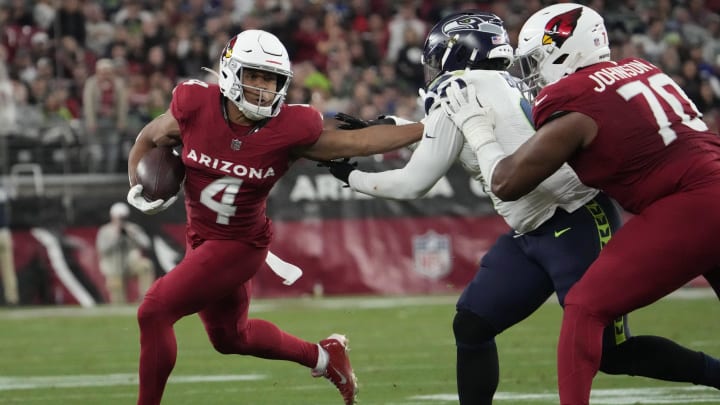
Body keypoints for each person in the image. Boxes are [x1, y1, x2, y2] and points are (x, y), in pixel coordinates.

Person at [322, 11, 720, 404]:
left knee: (610, 349)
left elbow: (421, 178)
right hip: (534, 228)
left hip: (575, 219)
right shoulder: (505, 83)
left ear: (452, 55)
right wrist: (395, 125)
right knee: (474, 322)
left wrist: (350, 176)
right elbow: (456, 129)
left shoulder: (460, 89)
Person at [125, 29, 423, 405]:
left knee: (154, 311)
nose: (263, 88)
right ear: (232, 73)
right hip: (200, 238)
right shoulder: (194, 106)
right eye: (254, 76)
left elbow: (360, 142)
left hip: (240, 245)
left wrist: (428, 129)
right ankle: (326, 356)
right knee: (232, 339)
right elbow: (147, 138)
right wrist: (137, 183)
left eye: (271, 79)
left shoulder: (290, 130)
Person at [96, 201, 155, 304]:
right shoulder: (105, 231)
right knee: (119, 302)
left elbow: (147, 244)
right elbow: (102, 250)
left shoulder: (132, 228)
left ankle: (146, 299)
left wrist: (133, 235)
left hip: (130, 264)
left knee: (146, 266)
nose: (121, 221)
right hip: (113, 269)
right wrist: (116, 237)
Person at [0, 185, 18, 306]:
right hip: (4, 233)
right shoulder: (2, 191)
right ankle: (12, 298)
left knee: (8, 268)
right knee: (8, 269)